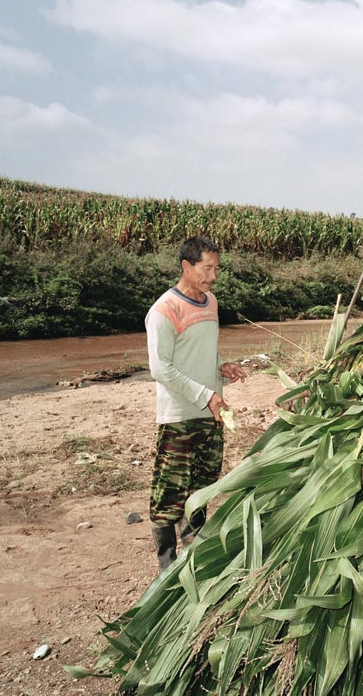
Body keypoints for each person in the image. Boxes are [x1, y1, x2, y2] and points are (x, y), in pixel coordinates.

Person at [145, 236, 247, 571]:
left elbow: (201, 350)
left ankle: (193, 559)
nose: (214, 275)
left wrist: (221, 365)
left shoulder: (211, 303)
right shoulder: (163, 311)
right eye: (207, 268)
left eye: (217, 268)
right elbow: (161, 368)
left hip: (211, 413)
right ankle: (166, 566)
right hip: (180, 416)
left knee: (201, 489)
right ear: (186, 266)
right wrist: (206, 395)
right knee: (168, 494)